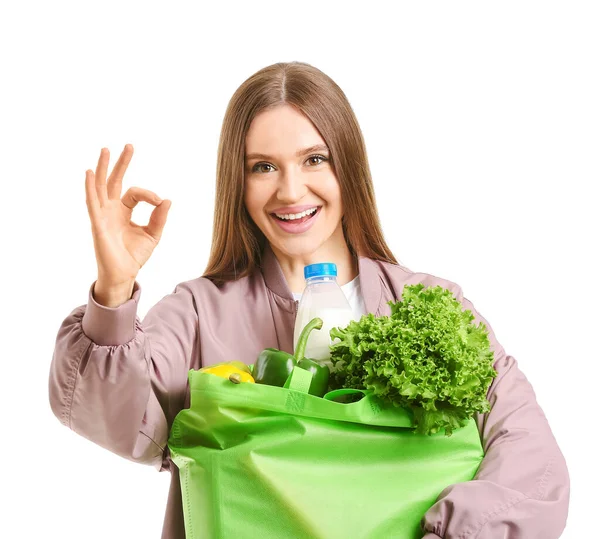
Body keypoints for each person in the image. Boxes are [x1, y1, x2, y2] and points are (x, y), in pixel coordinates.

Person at [48, 61, 570, 539]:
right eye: (263, 167)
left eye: (314, 159)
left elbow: (529, 455)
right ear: (238, 182)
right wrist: (114, 290)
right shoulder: (199, 313)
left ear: (349, 167)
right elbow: (121, 423)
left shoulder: (429, 304)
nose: (291, 191)